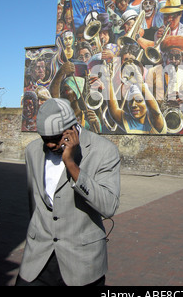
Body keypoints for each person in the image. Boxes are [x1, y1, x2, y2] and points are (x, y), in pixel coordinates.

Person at [16, 98, 120, 286]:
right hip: (38, 259)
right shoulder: (32, 151)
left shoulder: (104, 151)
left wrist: (72, 165)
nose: (49, 145)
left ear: (72, 130)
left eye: (55, 139)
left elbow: (109, 206)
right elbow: (34, 203)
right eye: (44, 139)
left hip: (82, 263)